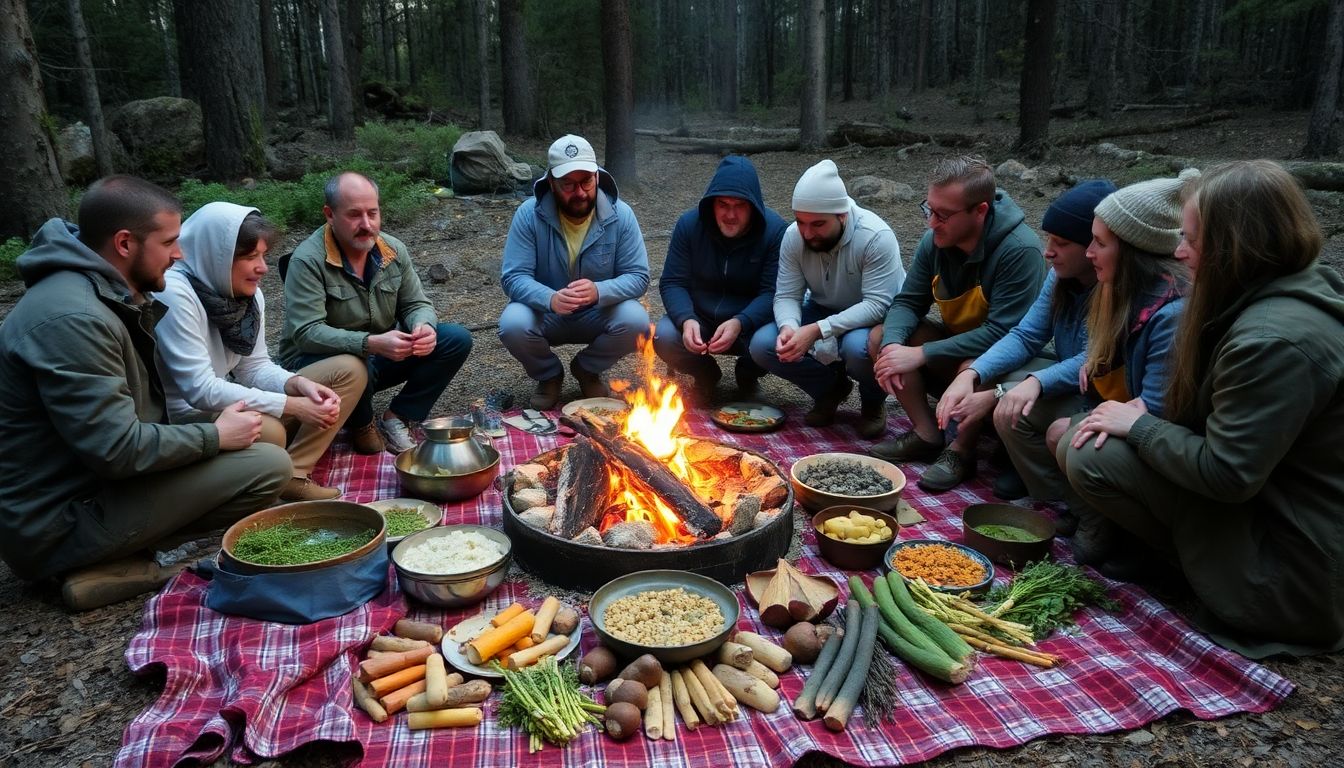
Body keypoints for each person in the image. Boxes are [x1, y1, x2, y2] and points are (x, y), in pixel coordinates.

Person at [1058, 160, 1344, 658]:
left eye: (1192, 238)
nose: (1179, 251)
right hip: (1277, 512)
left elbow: (1229, 473)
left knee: (1090, 451)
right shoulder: (1280, 293)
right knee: (1088, 430)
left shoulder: (1272, 340)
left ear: (1238, 246)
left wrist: (1142, 425)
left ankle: (1200, 576)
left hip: (1293, 569)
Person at [0, 176, 291, 611]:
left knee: (263, 445)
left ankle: (113, 559)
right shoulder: (74, 318)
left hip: (84, 486)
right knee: (267, 466)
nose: (179, 253)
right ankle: (117, 565)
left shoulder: (101, 292)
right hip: (56, 519)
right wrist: (216, 436)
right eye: (170, 242)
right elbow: (117, 449)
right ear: (124, 243)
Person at [155, 202, 368, 501]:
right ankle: (267, 470)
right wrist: (293, 406)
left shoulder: (247, 295)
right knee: (269, 431)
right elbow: (199, 390)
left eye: (263, 255)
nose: (263, 268)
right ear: (216, 257)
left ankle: (293, 473)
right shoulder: (175, 293)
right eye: (250, 257)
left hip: (228, 399)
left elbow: (253, 368)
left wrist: (297, 385)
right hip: (187, 419)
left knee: (348, 370)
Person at [934, 179, 1116, 511]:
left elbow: (1090, 359)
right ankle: (1028, 469)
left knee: (1011, 398)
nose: (1048, 251)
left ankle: (1069, 505)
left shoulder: (1114, 287)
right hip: (1069, 379)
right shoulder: (1061, 277)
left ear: (1094, 248)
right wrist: (971, 375)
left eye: (1061, 243)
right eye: (1050, 240)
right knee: (994, 370)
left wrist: (1000, 393)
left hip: (1101, 393)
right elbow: (1027, 335)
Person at [870, 156, 1045, 492]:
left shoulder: (1020, 251)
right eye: (928, 209)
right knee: (881, 337)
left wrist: (922, 354)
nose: (931, 223)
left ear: (979, 211)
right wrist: (893, 345)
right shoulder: (935, 241)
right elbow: (908, 301)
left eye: (943, 215)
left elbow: (1005, 334)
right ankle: (926, 434)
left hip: (1008, 365)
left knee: (975, 364)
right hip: (957, 348)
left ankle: (960, 452)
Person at [1052, 171, 1193, 565]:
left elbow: (1160, 411)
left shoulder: (1172, 313)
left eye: (1099, 243)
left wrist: (1103, 414)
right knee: (1062, 432)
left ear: (1133, 251)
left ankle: (1153, 549)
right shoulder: (1117, 289)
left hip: (1170, 446)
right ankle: (1102, 522)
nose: (1089, 252)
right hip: (1129, 417)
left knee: (1074, 439)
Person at [279, 172, 473, 455]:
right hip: (317, 363)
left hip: (377, 354)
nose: (366, 224)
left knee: (455, 339)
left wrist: (423, 326)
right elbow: (306, 333)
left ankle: (398, 416)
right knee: (355, 363)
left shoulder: (392, 250)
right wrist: (370, 343)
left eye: (373, 212)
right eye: (354, 215)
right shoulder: (307, 261)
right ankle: (361, 424)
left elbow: (416, 303)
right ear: (330, 215)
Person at [748, 159, 904, 437]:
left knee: (858, 348)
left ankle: (872, 402)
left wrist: (817, 330)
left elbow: (879, 304)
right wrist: (789, 327)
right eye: (801, 222)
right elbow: (786, 294)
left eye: (818, 224)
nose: (808, 233)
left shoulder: (875, 237)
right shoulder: (794, 237)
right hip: (821, 307)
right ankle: (830, 389)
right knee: (763, 344)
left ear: (842, 215)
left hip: (873, 318)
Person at [499, 134, 650, 409]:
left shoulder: (621, 214)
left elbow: (638, 276)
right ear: (551, 184)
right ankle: (549, 375)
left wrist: (599, 291)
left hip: (598, 312)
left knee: (636, 319)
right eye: (567, 184)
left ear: (597, 176)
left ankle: (587, 368)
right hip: (547, 313)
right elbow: (513, 277)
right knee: (513, 323)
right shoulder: (528, 215)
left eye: (585, 182)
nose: (579, 192)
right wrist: (549, 298)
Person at [654, 155, 786, 401]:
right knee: (664, 336)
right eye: (723, 204)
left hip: (751, 322)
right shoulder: (689, 225)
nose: (730, 215)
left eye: (740, 206)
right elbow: (673, 282)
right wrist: (686, 320)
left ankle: (748, 373)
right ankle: (705, 374)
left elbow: (774, 292)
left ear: (754, 206)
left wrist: (740, 321)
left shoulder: (776, 232)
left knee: (775, 340)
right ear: (711, 204)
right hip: (700, 316)